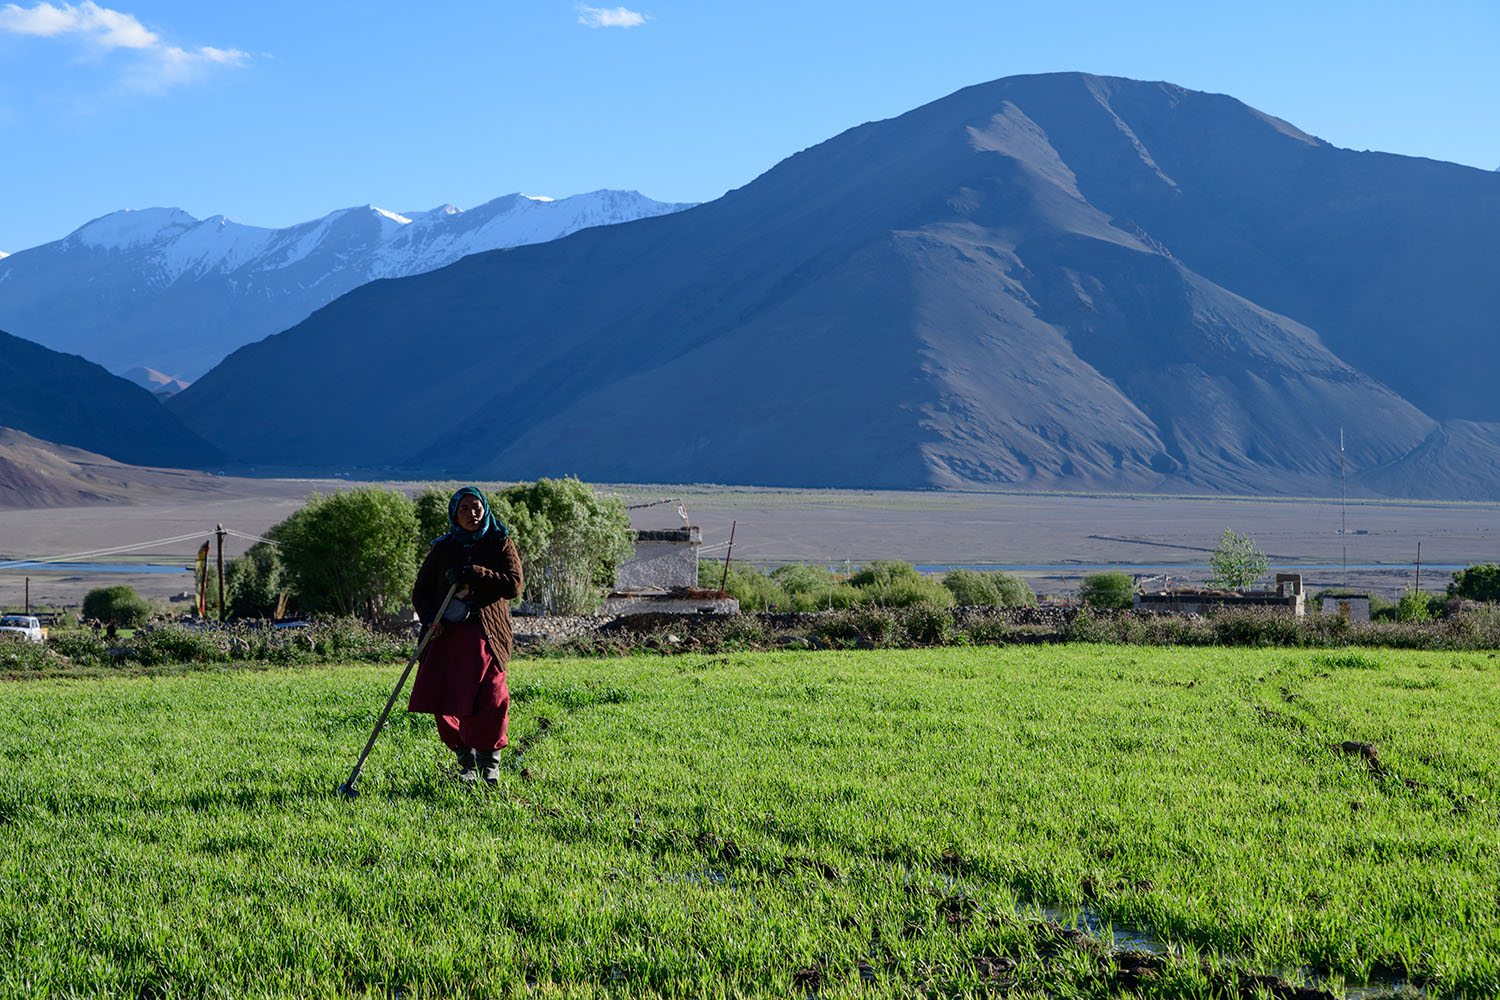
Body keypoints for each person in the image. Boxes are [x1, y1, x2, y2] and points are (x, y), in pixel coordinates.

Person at [408, 487, 524, 784]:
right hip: (447, 637)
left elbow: (513, 585)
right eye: (465, 509)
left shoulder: (500, 543)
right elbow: (420, 592)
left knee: (492, 697)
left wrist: (474, 572)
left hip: (486, 636)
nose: (473, 514)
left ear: (485, 509)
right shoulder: (443, 549)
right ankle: (466, 762)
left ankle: (489, 765)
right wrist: (431, 617)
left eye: (477, 507)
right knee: (446, 699)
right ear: (454, 514)